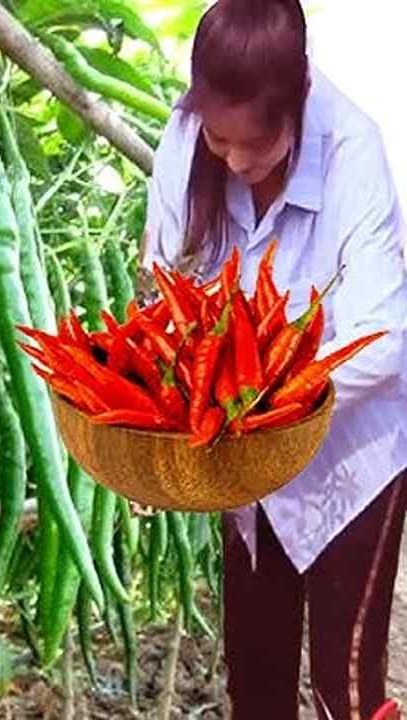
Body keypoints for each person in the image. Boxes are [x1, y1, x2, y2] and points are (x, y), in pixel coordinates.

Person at [140, 0, 407, 717]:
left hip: (350, 452)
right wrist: (156, 426)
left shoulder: (351, 149)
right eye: (218, 138)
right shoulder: (185, 139)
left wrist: (261, 395)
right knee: (255, 673)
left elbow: (383, 338)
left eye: (253, 144)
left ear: (297, 105)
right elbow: (164, 289)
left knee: (344, 685)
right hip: (246, 455)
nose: (232, 160)